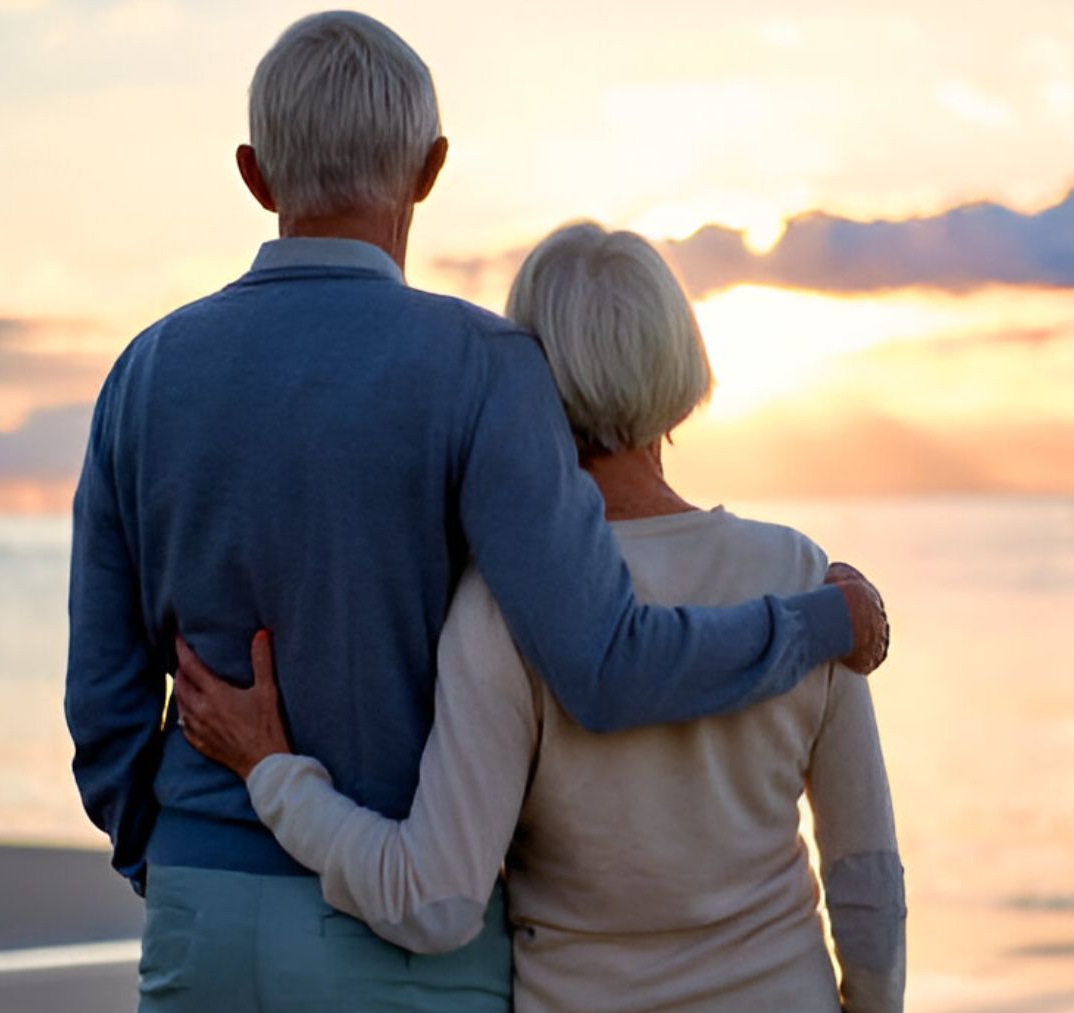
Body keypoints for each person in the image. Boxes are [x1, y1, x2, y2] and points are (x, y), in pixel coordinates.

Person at [63, 10, 889, 1012]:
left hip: (204, 909)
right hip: (401, 941)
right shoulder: (484, 369)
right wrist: (818, 619)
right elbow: (600, 660)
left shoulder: (142, 375)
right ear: (430, 167)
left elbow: (103, 698)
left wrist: (169, 857)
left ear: (255, 175)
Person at [174, 223, 907, 1012]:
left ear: (528, 380)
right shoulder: (801, 577)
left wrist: (273, 775)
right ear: (680, 355)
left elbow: (434, 898)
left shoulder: (505, 604)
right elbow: (864, 877)